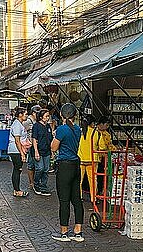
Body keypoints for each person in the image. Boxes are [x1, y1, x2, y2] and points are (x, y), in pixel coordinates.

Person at [51, 103, 84, 243]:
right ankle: (78, 231)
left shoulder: (62, 129)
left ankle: (64, 232)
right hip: (76, 165)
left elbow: (54, 147)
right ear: (74, 115)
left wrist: (54, 136)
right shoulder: (78, 129)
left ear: (62, 115)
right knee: (77, 199)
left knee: (64, 200)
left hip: (64, 166)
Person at [7, 107, 29, 197]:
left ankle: (17, 189)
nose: (27, 115)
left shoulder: (19, 124)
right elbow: (17, 140)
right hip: (15, 150)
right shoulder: (16, 125)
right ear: (20, 115)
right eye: (25, 114)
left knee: (18, 170)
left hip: (17, 149)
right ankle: (17, 190)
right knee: (17, 169)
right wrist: (22, 153)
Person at [33, 109, 53, 196]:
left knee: (46, 169)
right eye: (46, 116)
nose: (48, 118)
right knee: (40, 168)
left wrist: (52, 151)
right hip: (39, 150)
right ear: (41, 117)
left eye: (48, 116)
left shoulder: (48, 126)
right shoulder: (36, 126)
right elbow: (34, 139)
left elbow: (50, 139)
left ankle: (43, 185)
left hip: (47, 151)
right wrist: (36, 151)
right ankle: (36, 184)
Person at [77, 115, 97, 204]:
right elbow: (102, 146)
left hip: (80, 159)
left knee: (79, 180)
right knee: (93, 180)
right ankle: (93, 198)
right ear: (92, 123)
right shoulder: (95, 133)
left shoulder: (79, 132)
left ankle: (79, 196)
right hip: (92, 160)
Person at [24, 105, 40, 192]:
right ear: (33, 113)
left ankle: (36, 182)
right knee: (31, 165)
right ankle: (31, 183)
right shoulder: (28, 121)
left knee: (38, 165)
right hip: (30, 146)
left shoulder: (36, 121)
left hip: (38, 145)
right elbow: (22, 132)